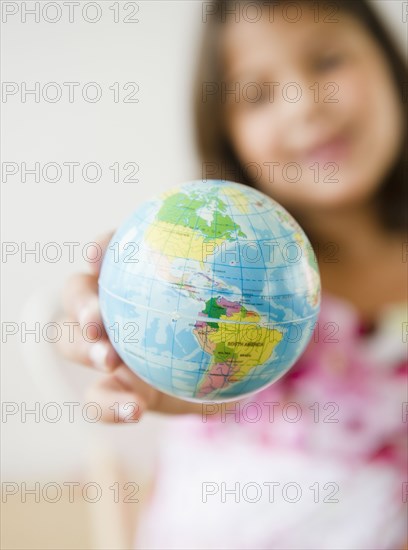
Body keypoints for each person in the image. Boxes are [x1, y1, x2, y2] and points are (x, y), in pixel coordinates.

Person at [58, 1, 407, 547]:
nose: (304, 105)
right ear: (226, 134)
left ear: (389, 62)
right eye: (258, 95)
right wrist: (110, 336)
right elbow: (192, 383)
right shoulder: (215, 271)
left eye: (328, 61)